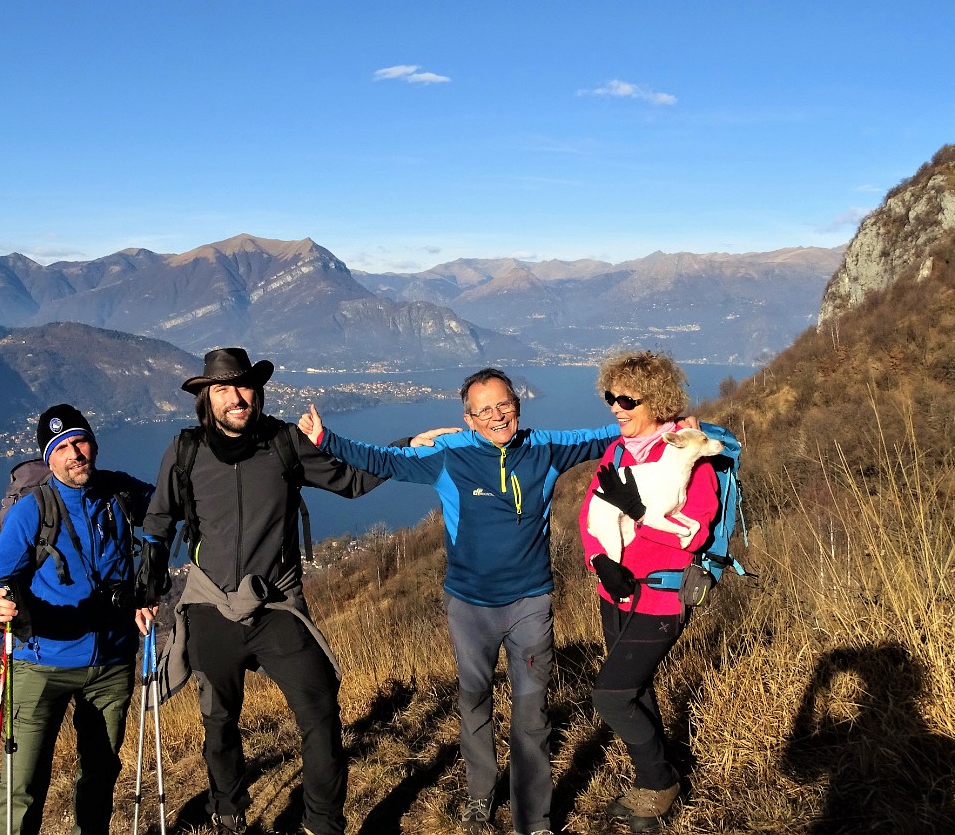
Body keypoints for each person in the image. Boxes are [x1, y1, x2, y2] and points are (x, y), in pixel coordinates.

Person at [298, 367, 621, 835]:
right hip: (469, 607)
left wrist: (671, 424)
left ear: (518, 405)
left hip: (530, 602)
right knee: (475, 705)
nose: (496, 416)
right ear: (468, 418)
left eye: (503, 405)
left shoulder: (545, 447)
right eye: (484, 409)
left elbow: (611, 435)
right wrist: (326, 439)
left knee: (531, 715)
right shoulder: (448, 456)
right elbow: (382, 460)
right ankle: (479, 796)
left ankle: (534, 820)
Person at [141, 348, 395, 835]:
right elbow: (159, 520)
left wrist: (408, 450)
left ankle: (322, 823)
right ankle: (229, 811)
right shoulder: (186, 450)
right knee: (218, 723)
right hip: (212, 604)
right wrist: (146, 591)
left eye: (245, 387)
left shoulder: (284, 443)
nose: (237, 397)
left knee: (320, 709)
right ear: (206, 399)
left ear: (257, 392)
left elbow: (349, 480)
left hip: (275, 603)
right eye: (223, 389)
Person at [0, 404, 155, 835]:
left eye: (81, 441)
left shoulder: (119, 496)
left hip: (110, 661)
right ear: (48, 457)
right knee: (22, 785)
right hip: (42, 664)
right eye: (63, 446)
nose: (75, 453)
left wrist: (148, 592)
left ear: (94, 444)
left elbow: (175, 506)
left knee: (100, 774)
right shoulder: (32, 512)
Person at [578, 351, 719, 833]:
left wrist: (637, 512)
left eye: (627, 399)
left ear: (656, 401)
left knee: (612, 696)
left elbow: (694, 533)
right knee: (637, 690)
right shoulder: (618, 452)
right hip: (615, 593)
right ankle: (650, 784)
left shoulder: (689, 458)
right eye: (609, 397)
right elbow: (590, 514)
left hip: (661, 596)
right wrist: (598, 560)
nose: (616, 407)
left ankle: (661, 782)